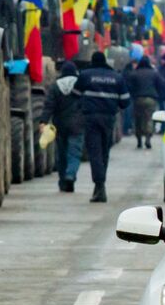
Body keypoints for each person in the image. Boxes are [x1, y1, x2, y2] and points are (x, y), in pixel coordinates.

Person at [75, 50, 130, 203]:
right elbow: (125, 101)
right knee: (104, 152)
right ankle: (101, 185)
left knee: (95, 152)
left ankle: (99, 186)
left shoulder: (85, 75)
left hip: (91, 118)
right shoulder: (116, 78)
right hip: (108, 119)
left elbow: (75, 94)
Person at [49, 58, 85, 192]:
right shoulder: (81, 84)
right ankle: (71, 175)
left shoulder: (55, 86)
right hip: (78, 125)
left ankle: (62, 180)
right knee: (74, 153)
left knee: (62, 154)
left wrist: (43, 121)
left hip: (60, 124)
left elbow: (49, 105)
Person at [126, 50, 164, 150]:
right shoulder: (154, 73)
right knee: (149, 119)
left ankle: (139, 140)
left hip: (137, 99)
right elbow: (162, 83)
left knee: (138, 120)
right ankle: (148, 138)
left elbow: (128, 85)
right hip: (151, 99)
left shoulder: (135, 73)